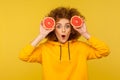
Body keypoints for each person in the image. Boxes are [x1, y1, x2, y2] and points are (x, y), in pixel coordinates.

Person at [19, 7, 110, 80]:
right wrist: (41, 36)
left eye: (67, 26)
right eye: (58, 26)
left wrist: (84, 33)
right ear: (53, 29)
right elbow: (23, 56)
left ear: (72, 29)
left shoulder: (81, 47)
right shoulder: (45, 49)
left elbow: (104, 50)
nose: (63, 30)